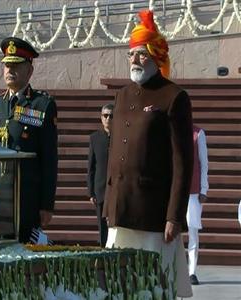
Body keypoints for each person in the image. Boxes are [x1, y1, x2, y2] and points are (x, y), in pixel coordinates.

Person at [102, 10, 194, 298]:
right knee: (120, 287)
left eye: (141, 54)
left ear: (156, 55)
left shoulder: (174, 97)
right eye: (131, 54)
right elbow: (113, 152)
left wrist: (175, 217)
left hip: (154, 214)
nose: (135, 60)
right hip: (120, 208)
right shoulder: (122, 96)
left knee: (155, 288)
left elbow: (182, 163)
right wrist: (108, 203)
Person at [0, 37, 58, 243]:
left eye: (16, 66)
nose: (10, 70)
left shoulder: (41, 104)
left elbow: (49, 158)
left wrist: (46, 205)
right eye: (7, 66)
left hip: (26, 197)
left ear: (29, 71)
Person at [87, 103, 113, 247]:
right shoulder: (95, 138)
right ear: (101, 118)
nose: (108, 118)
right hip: (100, 189)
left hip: (117, 188)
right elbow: (91, 166)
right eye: (105, 115)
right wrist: (91, 192)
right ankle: (103, 250)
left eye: (111, 116)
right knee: (102, 225)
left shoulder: (121, 137)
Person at [187, 125, 209, 285]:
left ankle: (192, 272)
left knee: (192, 232)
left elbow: (204, 162)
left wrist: (204, 189)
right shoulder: (171, 130)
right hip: (174, 191)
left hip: (193, 192)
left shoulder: (198, 133)